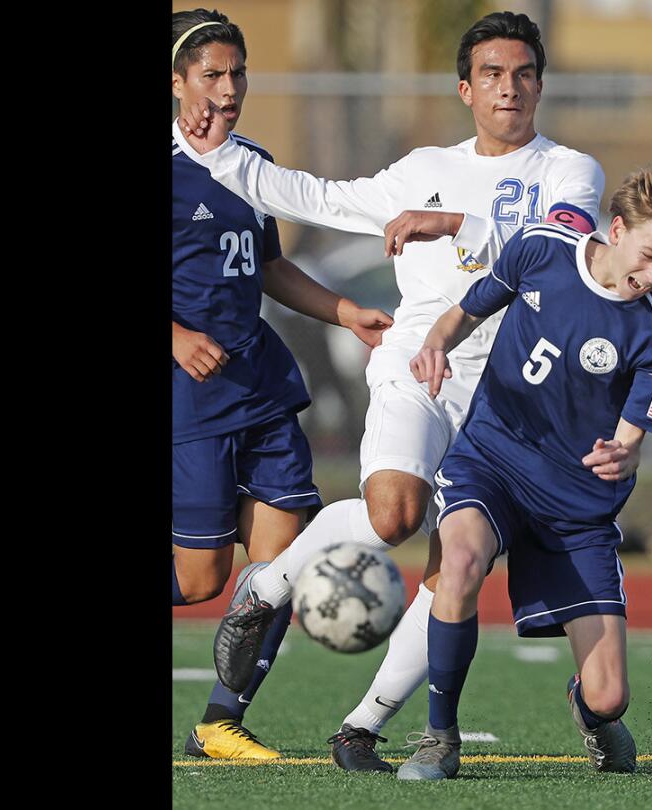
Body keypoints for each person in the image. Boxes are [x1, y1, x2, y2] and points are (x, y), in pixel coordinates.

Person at [175, 11, 609, 772]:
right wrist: (229, 162)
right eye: (494, 74)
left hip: (511, 390)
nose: (510, 88)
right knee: (392, 515)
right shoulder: (421, 166)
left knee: (458, 568)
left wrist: (454, 222)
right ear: (465, 88)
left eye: (524, 73)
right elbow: (320, 196)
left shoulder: (570, 170)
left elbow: (559, 249)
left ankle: (363, 728)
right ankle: (268, 587)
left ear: (541, 83)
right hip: (418, 365)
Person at [394, 169, 652, 780]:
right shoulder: (541, 248)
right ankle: (440, 738)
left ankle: (590, 715)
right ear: (616, 230)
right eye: (648, 256)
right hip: (492, 461)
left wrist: (626, 454)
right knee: (459, 563)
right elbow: (464, 313)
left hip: (576, 509)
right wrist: (435, 342)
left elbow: (630, 438)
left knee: (609, 697)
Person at [170, 8, 394, 761]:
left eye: (238, 72)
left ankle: (220, 720)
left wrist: (343, 312)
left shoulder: (250, 164)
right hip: (193, 403)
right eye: (212, 74)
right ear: (177, 83)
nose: (229, 87)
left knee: (278, 570)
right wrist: (176, 335)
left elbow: (268, 269)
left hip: (263, 393)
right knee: (201, 582)